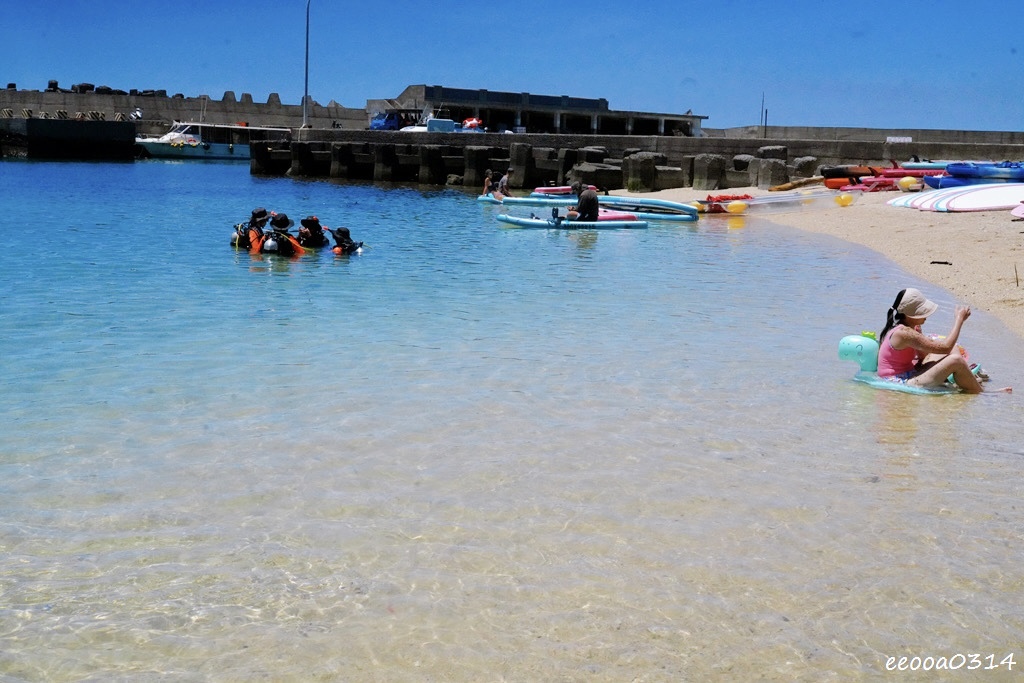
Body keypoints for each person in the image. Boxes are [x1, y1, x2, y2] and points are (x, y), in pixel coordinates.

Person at [876, 288, 1009, 393]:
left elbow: (923, 357)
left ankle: (965, 380)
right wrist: (959, 320)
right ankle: (983, 393)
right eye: (921, 312)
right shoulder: (904, 333)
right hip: (898, 381)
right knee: (956, 360)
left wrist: (920, 335)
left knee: (954, 349)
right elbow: (945, 347)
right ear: (909, 315)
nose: (926, 315)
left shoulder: (909, 329)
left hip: (910, 373)